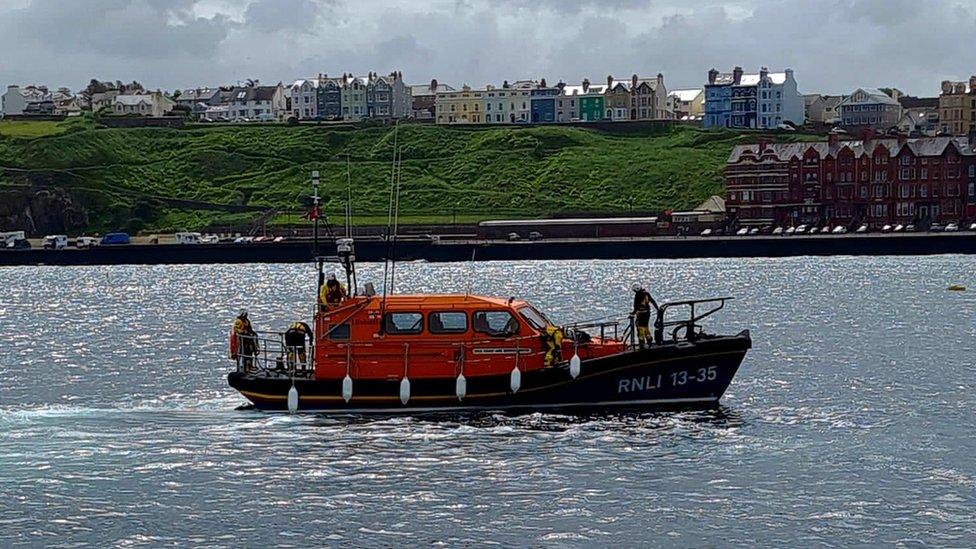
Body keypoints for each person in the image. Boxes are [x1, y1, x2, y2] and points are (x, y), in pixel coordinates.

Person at [631, 284, 654, 349]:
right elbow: (652, 301)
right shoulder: (646, 293)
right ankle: (649, 340)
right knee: (645, 326)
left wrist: (633, 313)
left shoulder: (637, 296)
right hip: (647, 313)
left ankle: (642, 342)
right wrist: (657, 309)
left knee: (640, 327)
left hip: (641, 314)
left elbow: (636, 306)